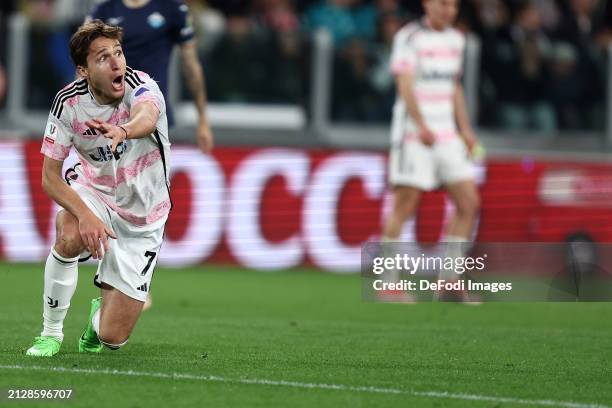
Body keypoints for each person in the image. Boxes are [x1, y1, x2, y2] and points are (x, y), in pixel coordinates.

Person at [26, 20, 171, 356]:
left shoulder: (142, 86)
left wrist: (124, 131)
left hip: (144, 217)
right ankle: (50, 333)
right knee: (70, 235)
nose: (117, 62)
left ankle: (98, 317)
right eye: (103, 57)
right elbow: (50, 177)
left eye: (118, 52)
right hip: (96, 192)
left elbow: (146, 116)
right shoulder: (68, 104)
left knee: (111, 337)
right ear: (84, 70)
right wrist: (85, 214)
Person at [380, 0, 480, 302]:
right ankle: (388, 283)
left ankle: (449, 281)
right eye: (442, 3)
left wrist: (465, 129)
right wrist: (421, 124)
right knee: (405, 205)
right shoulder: (409, 38)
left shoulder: (456, 39)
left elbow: (454, 86)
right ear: (427, 4)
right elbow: (405, 86)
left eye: (453, 5)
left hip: (447, 135)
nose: (448, 10)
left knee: (468, 202)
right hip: (414, 134)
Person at [88, 0, 214, 153]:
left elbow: (191, 66)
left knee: (152, 175)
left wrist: (202, 120)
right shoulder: (104, 10)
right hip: (110, 115)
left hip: (154, 115)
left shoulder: (172, 7)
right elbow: (86, 63)